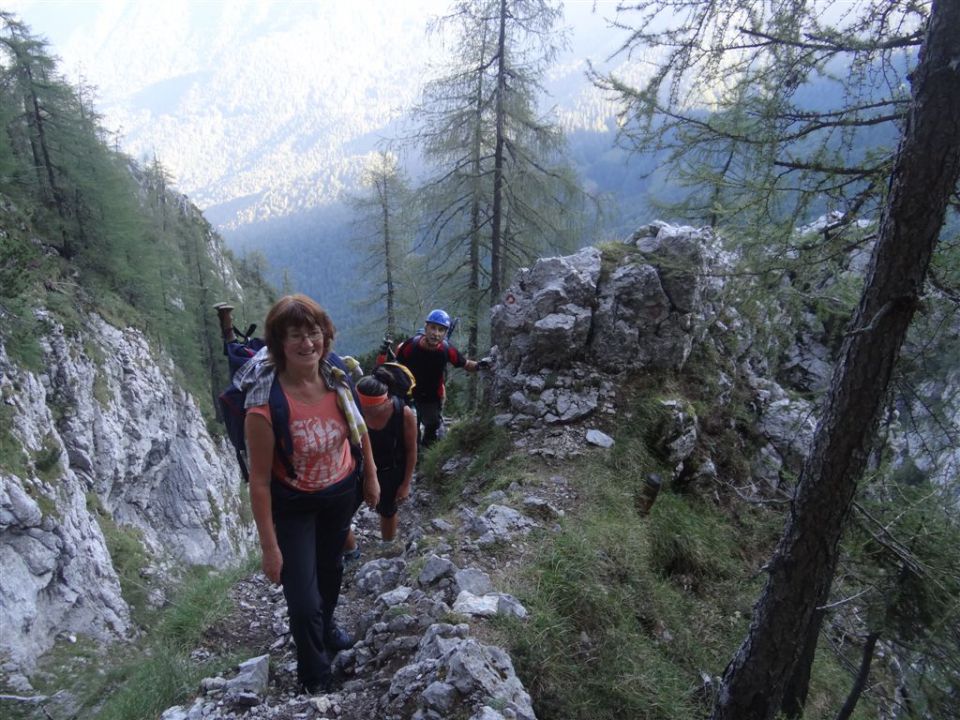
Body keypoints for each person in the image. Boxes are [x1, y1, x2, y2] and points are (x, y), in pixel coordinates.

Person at [241, 294, 379, 694]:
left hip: (339, 493)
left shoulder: (336, 378)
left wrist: (370, 476)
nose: (307, 343)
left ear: (326, 336)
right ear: (279, 344)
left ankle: (328, 625)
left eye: (314, 332)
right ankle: (314, 674)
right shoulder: (264, 406)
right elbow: (261, 482)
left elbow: (359, 431)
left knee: (331, 571)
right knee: (302, 599)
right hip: (295, 504)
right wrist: (270, 548)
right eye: (295, 335)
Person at [392, 309, 485, 447]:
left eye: (441, 330)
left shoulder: (447, 350)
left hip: (431, 397)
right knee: (411, 430)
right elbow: (397, 365)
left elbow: (465, 363)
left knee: (432, 427)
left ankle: (425, 456)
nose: (436, 334)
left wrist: (481, 365)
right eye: (433, 328)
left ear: (445, 333)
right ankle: (412, 458)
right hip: (409, 394)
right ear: (426, 327)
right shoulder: (411, 345)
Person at [356, 375, 418, 542]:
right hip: (358, 467)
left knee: (388, 509)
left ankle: (387, 544)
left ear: (386, 400)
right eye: (362, 407)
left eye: (371, 408)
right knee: (342, 510)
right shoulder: (354, 409)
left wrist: (405, 484)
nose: (365, 411)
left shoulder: (402, 413)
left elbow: (411, 450)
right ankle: (348, 550)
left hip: (390, 468)